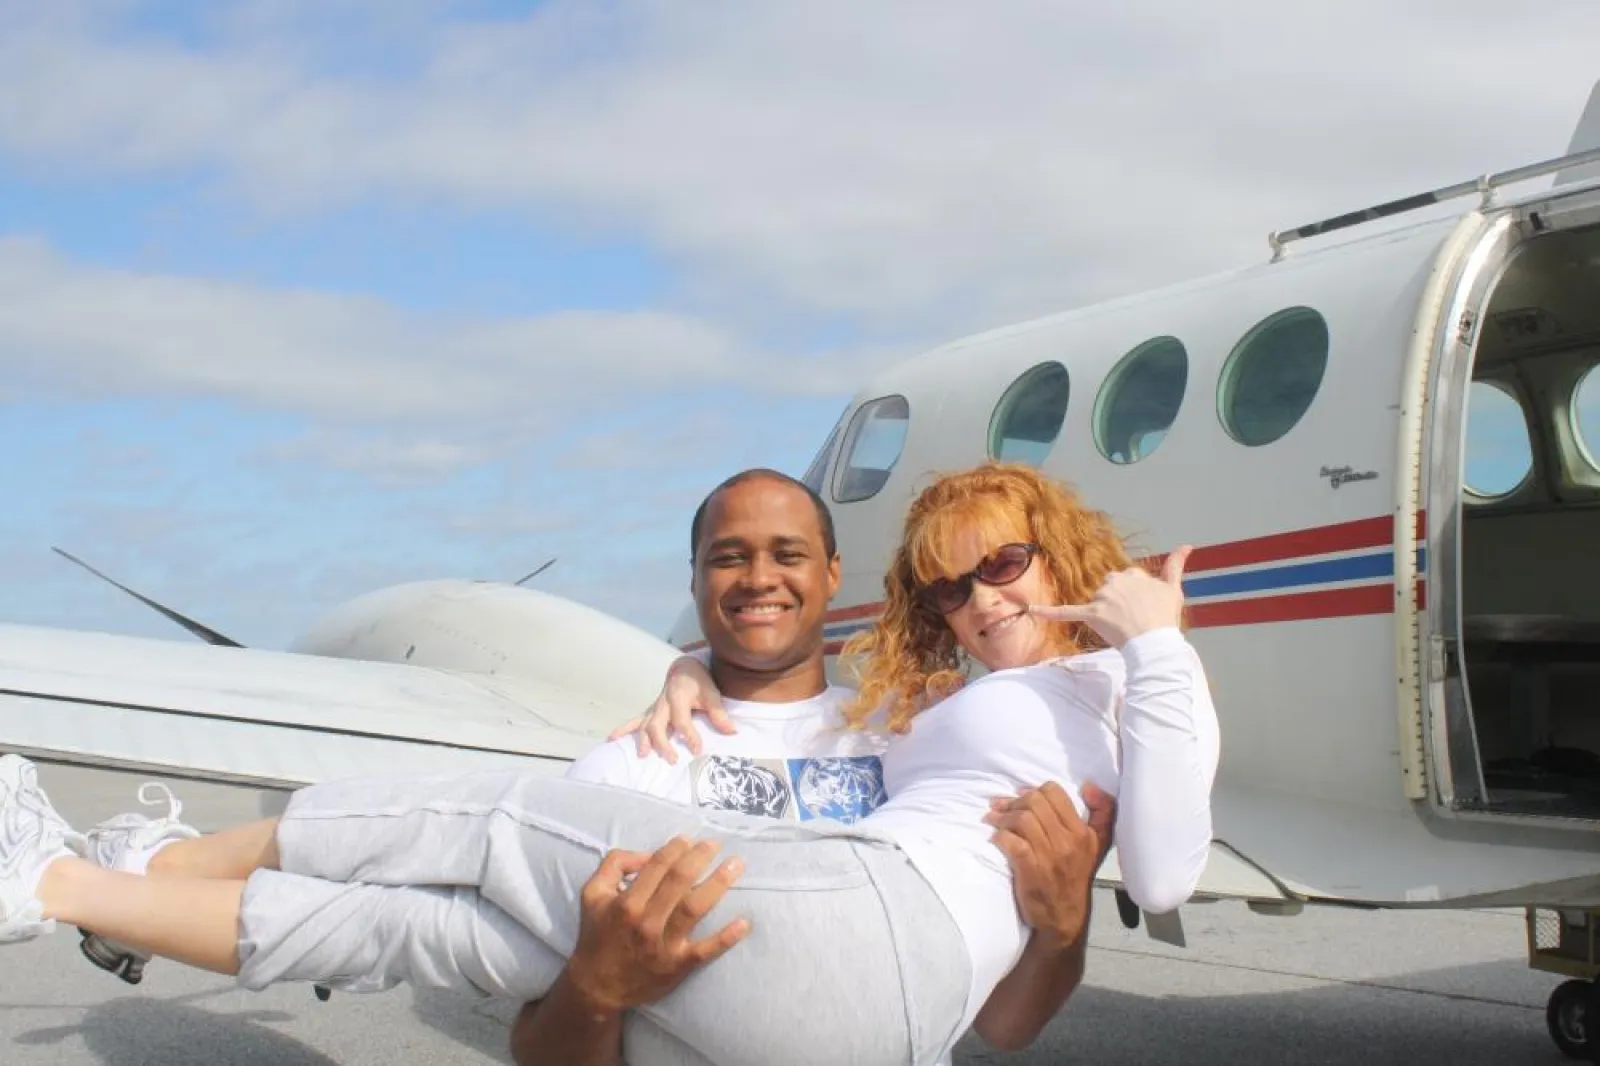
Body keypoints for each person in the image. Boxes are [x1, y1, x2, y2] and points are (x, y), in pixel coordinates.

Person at [0, 461, 1220, 1066]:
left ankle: (130, 856)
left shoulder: (903, 729)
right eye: (950, 588)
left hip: (865, 972)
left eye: (1000, 568)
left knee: (479, 814)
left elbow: (1005, 1022)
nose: (759, 579)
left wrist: (1064, 928)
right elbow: (544, 1048)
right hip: (816, 1000)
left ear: (829, 580)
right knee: (429, 932)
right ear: (695, 587)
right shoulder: (650, 749)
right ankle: (81, 889)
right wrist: (594, 983)